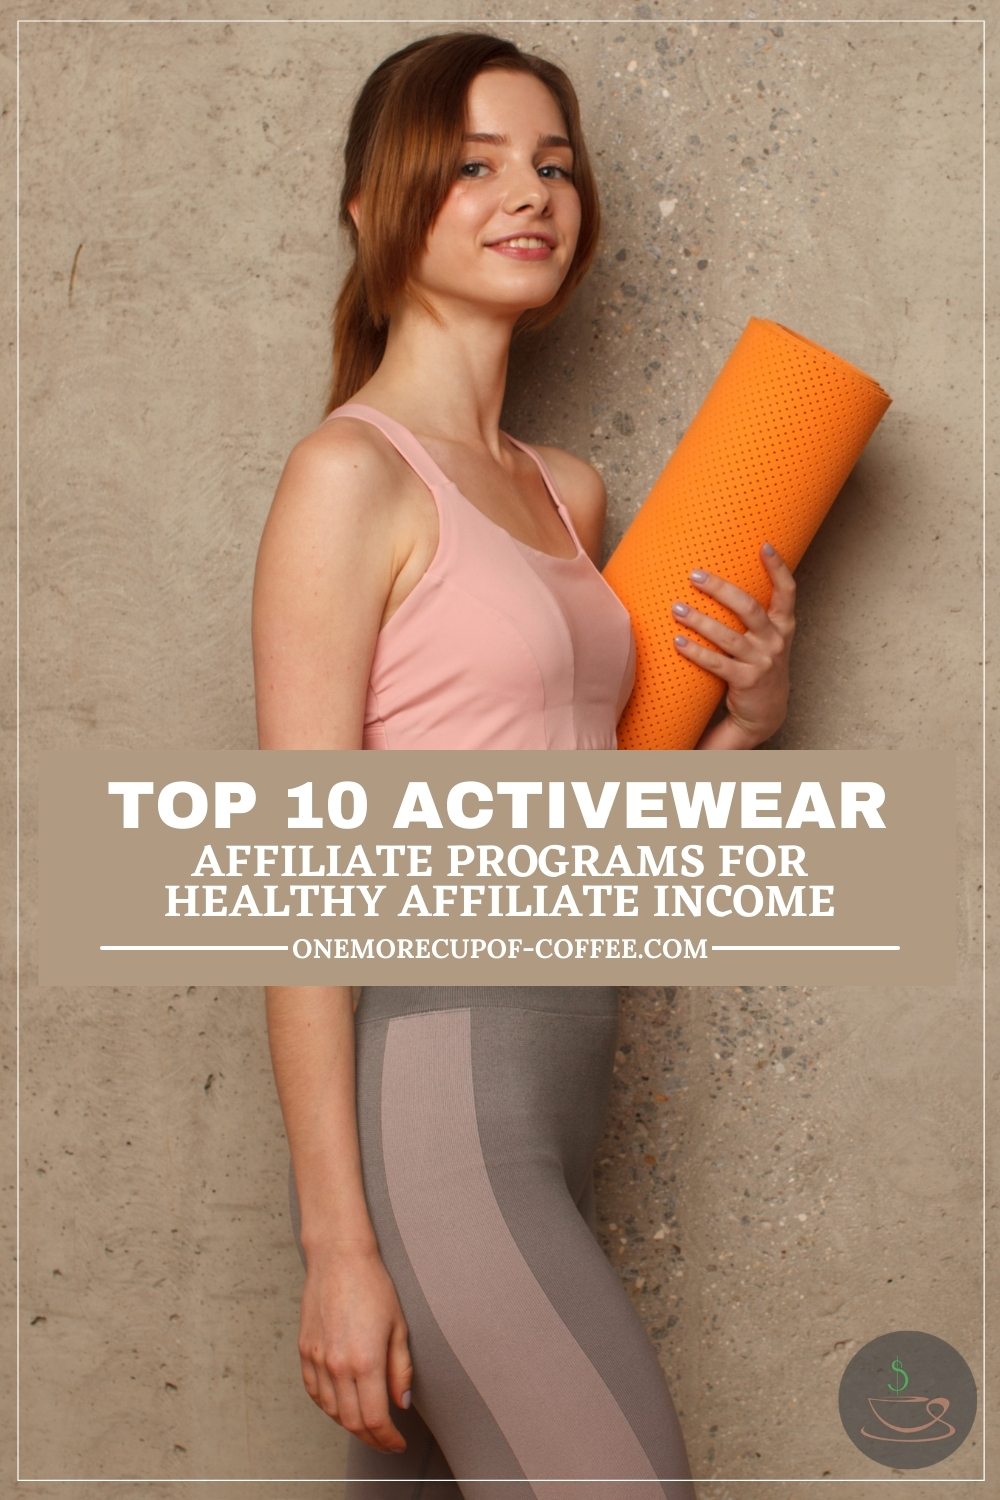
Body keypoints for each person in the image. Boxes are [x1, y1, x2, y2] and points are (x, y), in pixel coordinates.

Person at [252, 29, 795, 1499]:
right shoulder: (349, 479)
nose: (530, 192)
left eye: (554, 162)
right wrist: (340, 1249)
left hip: (557, 1089)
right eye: (478, 163)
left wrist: (743, 723)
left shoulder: (566, 493)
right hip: (444, 1114)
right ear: (376, 206)